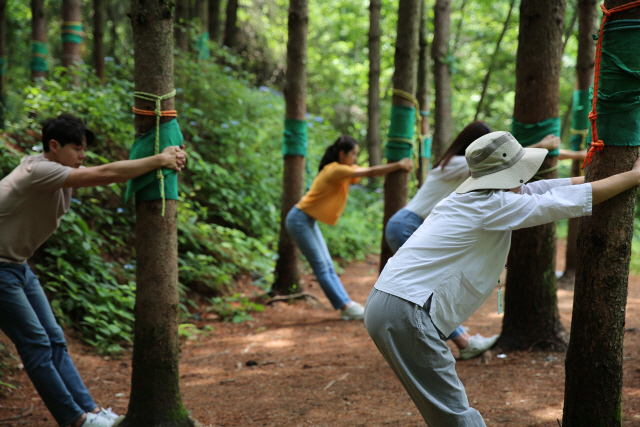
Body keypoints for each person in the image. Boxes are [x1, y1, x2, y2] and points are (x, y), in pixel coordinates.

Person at [364, 130, 640, 426]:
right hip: (407, 310)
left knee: (444, 412)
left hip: (388, 301)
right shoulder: (492, 206)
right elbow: (562, 203)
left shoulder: (470, 196)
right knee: (454, 414)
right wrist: (634, 177)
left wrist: (616, 175)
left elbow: (545, 189)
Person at [0, 114, 186, 427]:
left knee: (55, 339)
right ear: (54, 146)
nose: (83, 155)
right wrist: (159, 159)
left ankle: (92, 413)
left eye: (84, 148)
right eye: (77, 148)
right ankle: (75, 420)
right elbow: (105, 173)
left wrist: (164, 157)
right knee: (36, 344)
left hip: (16, 266)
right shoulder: (39, 171)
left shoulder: (57, 169)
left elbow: (109, 172)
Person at [384, 121, 564, 359]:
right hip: (407, 224)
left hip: (407, 223)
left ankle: (451, 335)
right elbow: (501, 162)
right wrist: (541, 145)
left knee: (428, 284)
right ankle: (463, 341)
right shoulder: (455, 164)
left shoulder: (449, 164)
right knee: (427, 286)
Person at [286, 135, 412, 320]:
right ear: (342, 154)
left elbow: (363, 171)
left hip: (307, 220)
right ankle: (345, 306)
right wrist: (398, 165)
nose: (355, 158)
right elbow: (370, 172)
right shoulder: (335, 170)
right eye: (353, 154)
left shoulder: (341, 170)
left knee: (327, 264)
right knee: (322, 266)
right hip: (299, 220)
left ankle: (346, 305)